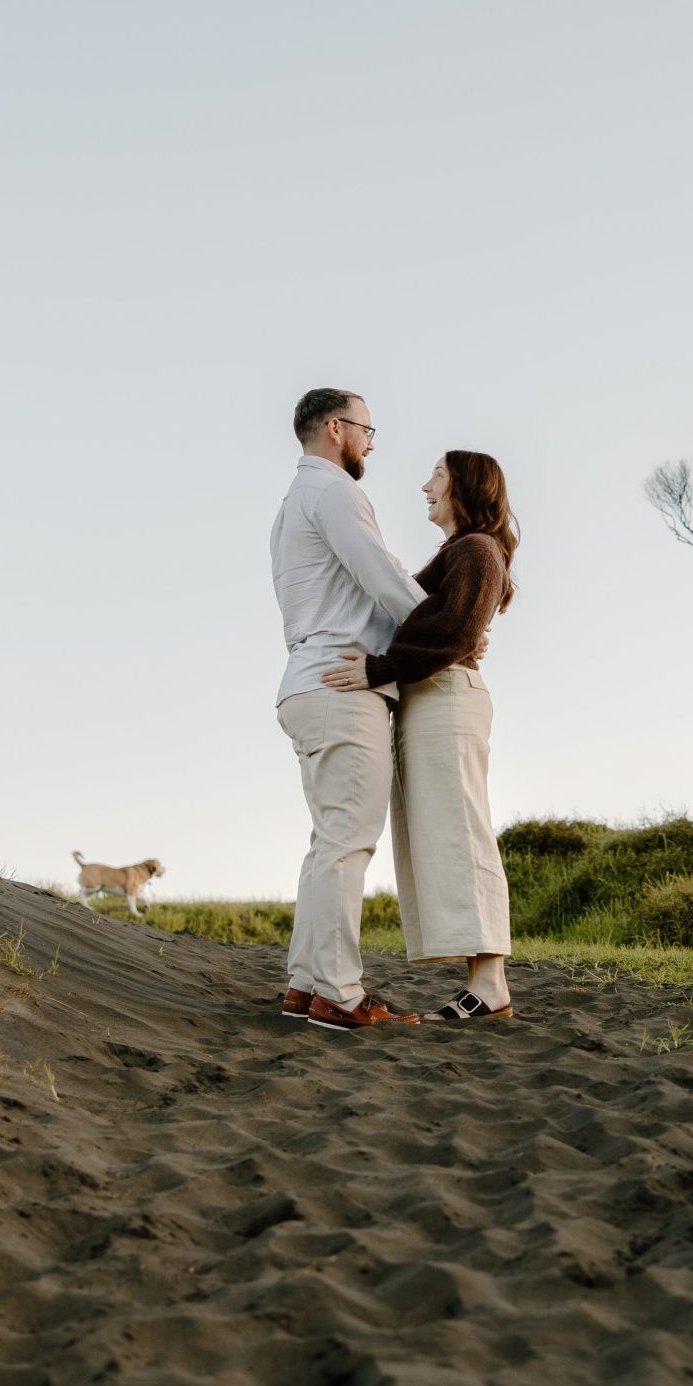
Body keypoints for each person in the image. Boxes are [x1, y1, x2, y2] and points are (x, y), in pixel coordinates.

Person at [322, 451, 517, 1021]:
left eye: (437, 475)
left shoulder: (478, 550)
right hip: (429, 700)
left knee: (463, 831)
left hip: (448, 699)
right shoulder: (457, 553)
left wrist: (376, 668)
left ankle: (491, 984)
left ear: (465, 486)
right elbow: (430, 621)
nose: (425, 485)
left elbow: (455, 630)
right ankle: (480, 980)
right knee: (442, 837)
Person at [270, 387, 429, 1032]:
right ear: (336, 429)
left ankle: (305, 987)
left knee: (326, 844)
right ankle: (339, 994)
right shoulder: (335, 491)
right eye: (367, 430)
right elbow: (381, 573)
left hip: (306, 685)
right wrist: (446, 626)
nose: (370, 442)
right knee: (346, 844)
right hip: (341, 682)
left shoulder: (289, 506)